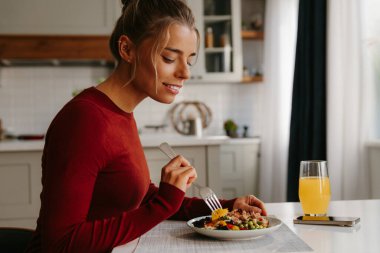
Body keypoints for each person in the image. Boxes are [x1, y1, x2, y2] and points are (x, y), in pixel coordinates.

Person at [25, 0, 267, 252]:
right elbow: (61, 242)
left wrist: (225, 206)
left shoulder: (120, 113)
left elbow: (139, 196)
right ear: (127, 49)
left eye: (190, 60)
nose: (185, 72)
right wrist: (162, 204)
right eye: (169, 57)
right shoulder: (85, 119)